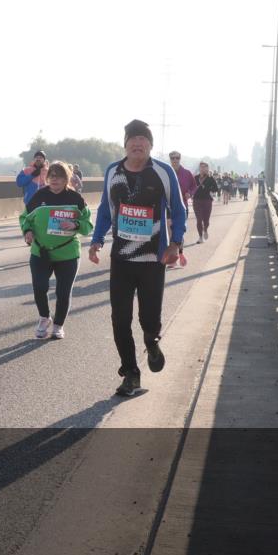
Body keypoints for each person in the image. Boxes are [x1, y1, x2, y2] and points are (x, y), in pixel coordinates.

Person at [89, 120, 185, 397]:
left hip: (153, 259)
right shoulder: (113, 172)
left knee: (149, 319)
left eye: (143, 139)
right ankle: (130, 373)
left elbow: (178, 210)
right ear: (125, 144)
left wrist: (176, 243)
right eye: (133, 139)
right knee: (119, 319)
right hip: (121, 258)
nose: (138, 143)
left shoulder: (163, 172)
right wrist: (96, 241)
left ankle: (152, 342)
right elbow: (106, 211)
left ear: (151, 145)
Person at [20, 162, 92, 340]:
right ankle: (44, 318)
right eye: (51, 175)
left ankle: (58, 325)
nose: (54, 179)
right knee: (39, 287)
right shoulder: (39, 196)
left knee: (63, 292)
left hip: (67, 253)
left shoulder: (76, 199)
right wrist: (27, 231)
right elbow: (25, 218)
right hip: (41, 252)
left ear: (66, 179)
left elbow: (88, 226)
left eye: (59, 176)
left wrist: (76, 224)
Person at [168, 151, 196, 268]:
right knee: (170, 233)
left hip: (182, 207)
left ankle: (180, 253)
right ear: (170, 159)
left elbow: (194, 186)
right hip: (168, 208)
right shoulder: (167, 172)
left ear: (180, 159)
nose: (175, 160)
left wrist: (189, 193)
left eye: (177, 158)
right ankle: (173, 259)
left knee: (178, 232)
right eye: (173, 158)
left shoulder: (187, 173)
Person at [192, 162, 219, 242]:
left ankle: (205, 230)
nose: (203, 168)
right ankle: (200, 237)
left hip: (207, 201)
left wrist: (210, 190)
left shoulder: (210, 178)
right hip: (196, 200)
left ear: (207, 168)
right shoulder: (195, 178)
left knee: (206, 221)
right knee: (199, 220)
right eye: (201, 167)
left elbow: (216, 189)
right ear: (199, 168)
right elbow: (190, 187)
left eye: (205, 167)